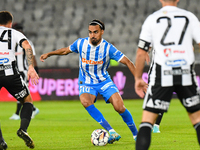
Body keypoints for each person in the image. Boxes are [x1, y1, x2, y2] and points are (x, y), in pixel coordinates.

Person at [40, 19, 139, 144]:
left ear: (102, 32)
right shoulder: (81, 43)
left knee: (119, 107)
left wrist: (138, 79)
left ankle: (136, 134)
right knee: (86, 101)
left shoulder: (108, 48)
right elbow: (65, 50)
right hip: (86, 82)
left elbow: (128, 62)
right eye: (90, 32)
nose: (92, 35)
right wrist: (49, 54)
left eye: (95, 32)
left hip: (104, 81)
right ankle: (111, 131)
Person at [134, 0, 200, 149]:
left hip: (162, 73)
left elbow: (140, 52)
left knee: (146, 122)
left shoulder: (152, 19)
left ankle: (153, 126)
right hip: (185, 73)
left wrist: (138, 78)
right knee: (197, 119)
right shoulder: (189, 17)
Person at [0, 11, 39, 149]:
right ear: (10, 23)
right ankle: (23, 129)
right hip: (11, 73)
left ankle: (1, 142)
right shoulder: (14, 33)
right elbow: (27, 46)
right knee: (27, 101)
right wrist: (31, 68)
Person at [9, 23, 40, 120]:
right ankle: (33, 109)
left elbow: (33, 56)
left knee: (21, 92)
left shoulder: (27, 42)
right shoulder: (11, 42)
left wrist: (35, 69)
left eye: (20, 30)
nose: (19, 32)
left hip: (24, 71)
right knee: (19, 92)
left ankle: (18, 114)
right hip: (13, 71)